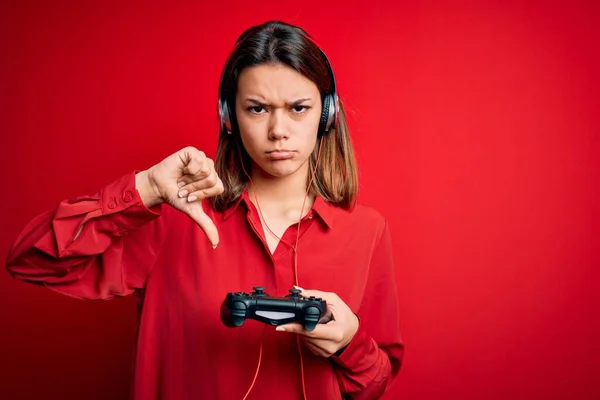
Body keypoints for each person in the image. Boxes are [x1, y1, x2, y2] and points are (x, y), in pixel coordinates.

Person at [5, 20, 404, 400]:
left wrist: (349, 344)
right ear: (229, 117)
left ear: (327, 115)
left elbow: (373, 384)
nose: (278, 130)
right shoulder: (173, 220)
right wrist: (144, 189)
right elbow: (31, 261)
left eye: (298, 108)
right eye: (257, 109)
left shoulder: (367, 231)